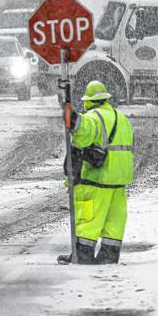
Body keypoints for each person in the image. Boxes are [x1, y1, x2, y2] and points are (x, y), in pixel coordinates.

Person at [58, 80, 134, 265]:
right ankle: (108, 255)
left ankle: (82, 255)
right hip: (119, 180)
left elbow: (82, 130)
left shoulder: (94, 116)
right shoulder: (121, 117)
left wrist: (71, 115)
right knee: (113, 223)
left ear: (89, 101)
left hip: (97, 179)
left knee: (88, 219)